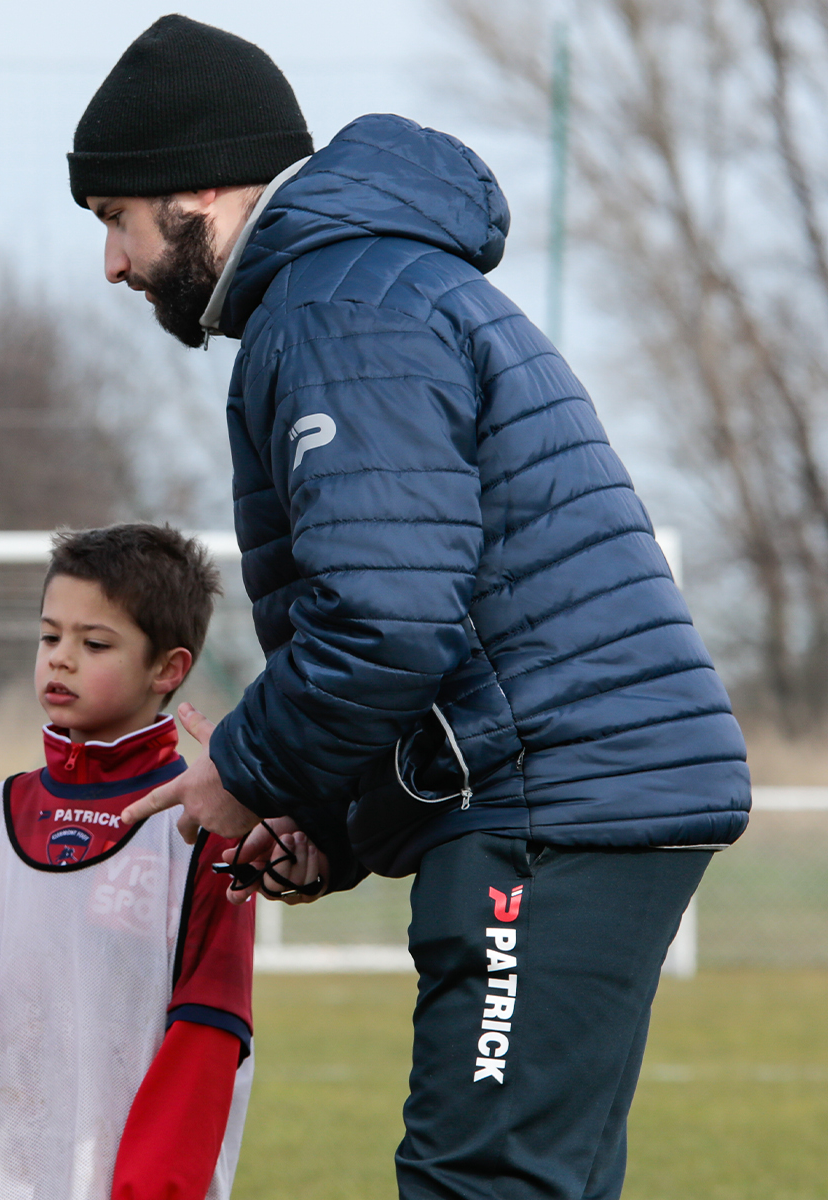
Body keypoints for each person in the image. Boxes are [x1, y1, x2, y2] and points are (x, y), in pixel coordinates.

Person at [69, 16, 750, 1200]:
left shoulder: (337, 311)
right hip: (572, 793)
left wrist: (244, 769)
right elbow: (440, 621)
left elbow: (385, 620)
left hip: (551, 812)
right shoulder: (363, 285)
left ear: (197, 192)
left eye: (115, 223)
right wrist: (327, 815)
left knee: (479, 1181)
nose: (114, 266)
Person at [0, 524, 256, 1200]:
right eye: (49, 636)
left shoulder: (204, 831)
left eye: (94, 644)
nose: (60, 659)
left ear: (167, 670)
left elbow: (209, 1034)